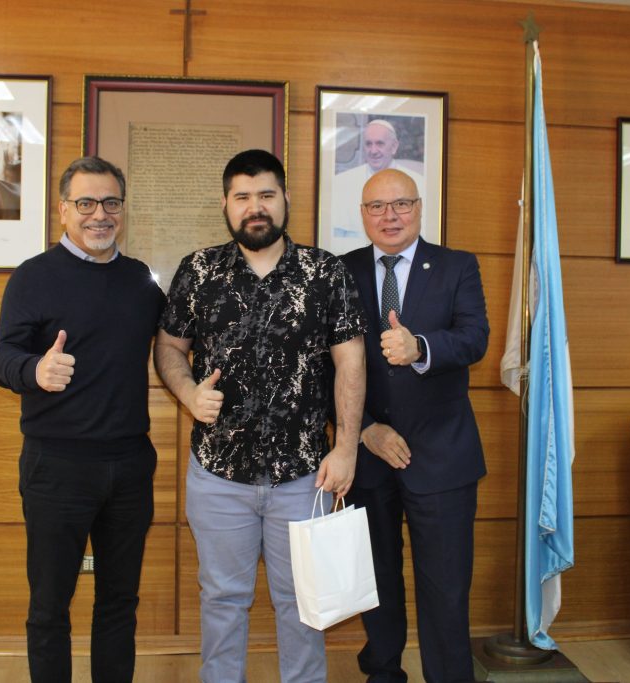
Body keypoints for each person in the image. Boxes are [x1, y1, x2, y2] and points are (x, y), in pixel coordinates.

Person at [154, 149, 367, 683]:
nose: (256, 207)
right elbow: (169, 347)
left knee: (303, 603)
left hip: (305, 476)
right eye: (243, 196)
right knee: (222, 599)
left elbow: (351, 362)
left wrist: (345, 448)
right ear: (225, 204)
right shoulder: (199, 270)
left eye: (267, 195)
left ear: (285, 199)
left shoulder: (325, 272)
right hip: (218, 476)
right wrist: (188, 393)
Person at [0, 156, 164, 683]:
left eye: (110, 203)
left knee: (120, 602)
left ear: (122, 210)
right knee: (49, 606)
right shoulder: (33, 277)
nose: (99, 214)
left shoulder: (141, 282)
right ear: (63, 210)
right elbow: (1, 357)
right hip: (57, 467)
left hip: (130, 467)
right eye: (85, 203)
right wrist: (34, 370)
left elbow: (177, 347)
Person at [341, 169, 489, 683]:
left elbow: (474, 338)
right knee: (376, 579)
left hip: (442, 456)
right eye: (377, 207)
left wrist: (420, 346)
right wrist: (365, 429)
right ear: (363, 215)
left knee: (445, 588)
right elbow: (321, 364)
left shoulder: (456, 266)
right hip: (368, 456)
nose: (390, 216)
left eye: (401, 203)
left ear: (420, 208)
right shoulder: (340, 271)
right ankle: (383, 674)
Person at [331, 119, 426, 243]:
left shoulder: (418, 183)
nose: (373, 151)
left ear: (394, 146)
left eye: (379, 144)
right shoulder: (342, 182)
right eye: (368, 144)